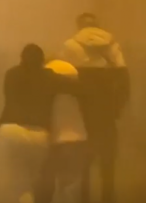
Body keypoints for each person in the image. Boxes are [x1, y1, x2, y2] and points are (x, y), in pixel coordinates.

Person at [60, 13, 130, 203]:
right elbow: (124, 80)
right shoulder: (112, 45)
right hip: (107, 114)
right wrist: (117, 109)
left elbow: (66, 83)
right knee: (108, 167)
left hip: (84, 113)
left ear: (79, 26)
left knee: (83, 166)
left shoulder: (70, 46)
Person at [0, 44, 78, 203]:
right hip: (38, 133)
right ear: (42, 61)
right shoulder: (49, 76)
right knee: (36, 181)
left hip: (9, 130)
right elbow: (76, 87)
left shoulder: (11, 74)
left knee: (19, 182)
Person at [39, 59, 90, 203]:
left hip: (55, 142)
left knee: (50, 185)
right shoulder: (79, 96)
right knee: (71, 188)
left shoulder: (46, 98)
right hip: (78, 140)